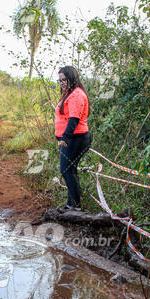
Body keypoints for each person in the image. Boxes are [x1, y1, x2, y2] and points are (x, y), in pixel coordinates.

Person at [55, 65, 91, 211]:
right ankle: (72, 204)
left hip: (75, 138)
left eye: (64, 80)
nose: (62, 83)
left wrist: (65, 138)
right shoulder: (69, 93)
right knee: (70, 170)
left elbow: (73, 120)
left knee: (66, 170)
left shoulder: (76, 95)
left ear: (72, 78)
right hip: (72, 138)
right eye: (59, 80)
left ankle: (75, 205)